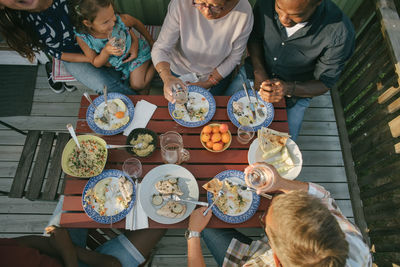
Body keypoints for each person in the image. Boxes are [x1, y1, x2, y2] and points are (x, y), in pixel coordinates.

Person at [187, 163, 372, 267]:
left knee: (205, 228)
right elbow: (323, 197)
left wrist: (193, 234)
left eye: (264, 222)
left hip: (242, 259)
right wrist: (280, 183)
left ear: (276, 256)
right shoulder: (350, 238)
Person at [225, 0, 355, 141]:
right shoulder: (265, 3)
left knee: (280, 152)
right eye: (279, 8)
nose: (283, 19)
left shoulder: (340, 32)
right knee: (221, 123)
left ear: (317, 3)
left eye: (296, 15)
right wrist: (259, 72)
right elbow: (254, 37)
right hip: (253, 73)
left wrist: (287, 89)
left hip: (295, 94)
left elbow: (324, 83)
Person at [0, 0, 137, 95]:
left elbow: (110, 16)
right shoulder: (21, 23)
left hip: (101, 41)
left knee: (126, 74)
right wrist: (94, 59)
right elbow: (57, 52)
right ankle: (146, 118)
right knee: (107, 86)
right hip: (76, 57)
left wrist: (132, 40)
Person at [151, 0, 253, 102]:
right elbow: (161, 48)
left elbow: (234, 57)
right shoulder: (180, 3)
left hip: (217, 75)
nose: (206, 12)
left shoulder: (244, 11)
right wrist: (167, 77)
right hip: (180, 71)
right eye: (200, 3)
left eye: (215, 6)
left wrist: (209, 83)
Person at [70, 0, 155, 94]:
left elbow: (135, 23)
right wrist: (105, 52)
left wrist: (150, 41)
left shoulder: (119, 21)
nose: (112, 23)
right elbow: (95, 62)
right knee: (139, 90)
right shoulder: (83, 38)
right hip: (121, 64)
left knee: (138, 85)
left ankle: (156, 61)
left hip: (139, 52)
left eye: (113, 15)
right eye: (106, 22)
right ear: (88, 23)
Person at [0, 225, 166, 267]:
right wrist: (67, 248)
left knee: (80, 191)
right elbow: (112, 263)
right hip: (69, 256)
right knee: (158, 226)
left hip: (62, 255)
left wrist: (66, 247)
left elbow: (28, 242)